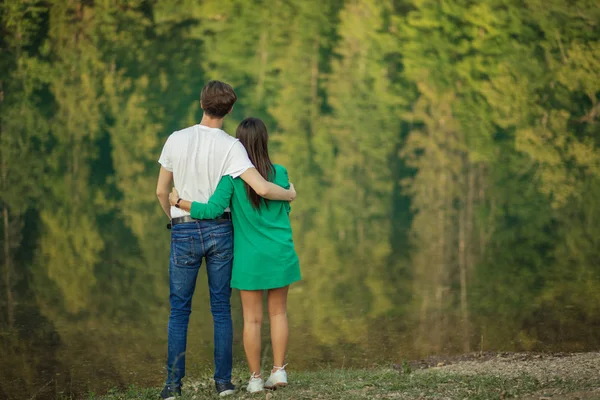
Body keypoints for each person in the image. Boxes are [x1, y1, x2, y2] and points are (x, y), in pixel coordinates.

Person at [156, 81, 296, 399]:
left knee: (179, 310)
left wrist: (176, 219)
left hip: (183, 229)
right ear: (230, 109)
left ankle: (171, 387)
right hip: (221, 231)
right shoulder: (233, 146)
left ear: (201, 103)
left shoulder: (175, 139)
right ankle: (224, 384)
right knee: (221, 309)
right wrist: (289, 193)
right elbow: (261, 187)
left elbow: (161, 191)